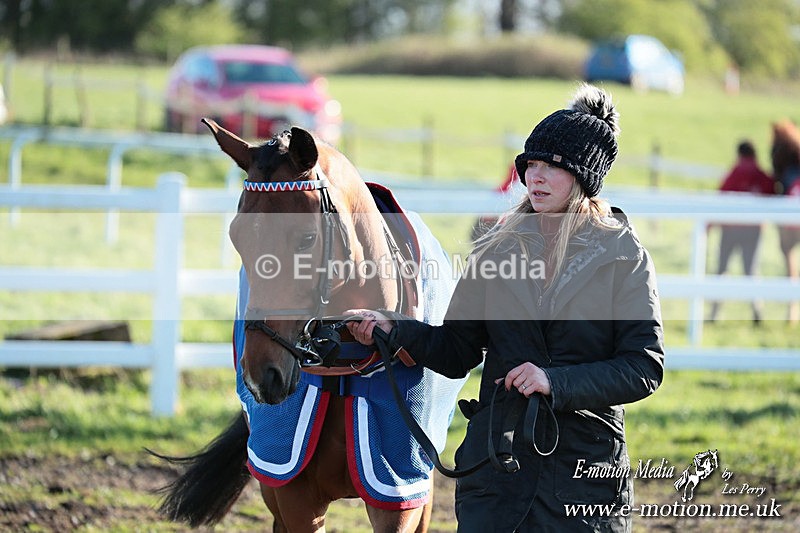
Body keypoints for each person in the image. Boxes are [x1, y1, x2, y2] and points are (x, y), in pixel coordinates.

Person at [346, 83, 664, 532]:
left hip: (584, 477)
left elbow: (643, 367)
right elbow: (456, 350)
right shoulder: (495, 252)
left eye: (550, 166)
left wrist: (554, 382)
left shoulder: (623, 257)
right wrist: (393, 330)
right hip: (499, 465)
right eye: (530, 165)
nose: (534, 177)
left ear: (583, 177)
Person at [707, 140, 775, 323]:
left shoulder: (735, 173)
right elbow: (772, 194)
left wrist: (709, 224)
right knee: (751, 271)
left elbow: (721, 197)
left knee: (721, 270)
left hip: (730, 229)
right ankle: (757, 311)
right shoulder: (763, 176)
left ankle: (714, 313)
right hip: (752, 230)